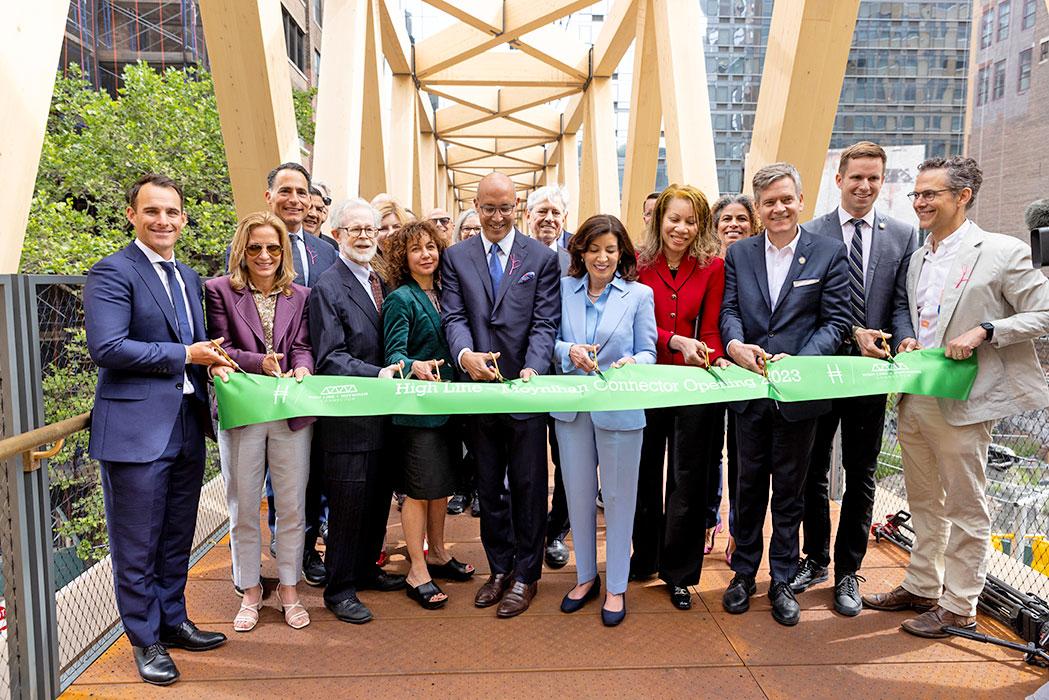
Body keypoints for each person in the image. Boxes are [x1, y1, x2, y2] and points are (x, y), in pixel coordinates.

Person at [863, 156, 1049, 638]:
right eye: (917, 195)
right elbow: (919, 317)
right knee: (923, 499)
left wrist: (987, 330)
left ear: (962, 196)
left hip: (966, 400)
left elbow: (1044, 313)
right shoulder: (919, 255)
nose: (920, 202)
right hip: (915, 393)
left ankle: (960, 604)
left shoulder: (1003, 251)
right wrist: (905, 340)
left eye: (931, 194)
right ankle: (924, 585)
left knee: (966, 506)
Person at [84, 174, 232, 686]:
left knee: (175, 537)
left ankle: (172, 621)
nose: (163, 220)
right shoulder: (111, 272)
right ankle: (144, 640)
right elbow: (107, 347)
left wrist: (210, 360)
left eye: (171, 212)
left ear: (184, 218)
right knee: (136, 545)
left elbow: (193, 344)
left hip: (186, 427)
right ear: (132, 215)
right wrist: (185, 355)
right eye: (152, 211)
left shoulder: (189, 277)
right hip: (134, 433)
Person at [719, 162, 850, 627]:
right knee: (747, 487)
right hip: (750, 392)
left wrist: (799, 365)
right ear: (758, 208)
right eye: (769, 201)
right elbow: (730, 311)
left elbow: (835, 322)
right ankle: (742, 574)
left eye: (785, 199)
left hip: (800, 395)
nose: (778, 208)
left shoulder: (829, 253)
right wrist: (735, 346)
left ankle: (782, 579)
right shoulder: (740, 255)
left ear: (800, 200)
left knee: (791, 493)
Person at [791, 142, 918, 616]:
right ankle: (815, 559)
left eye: (874, 179)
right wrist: (849, 332)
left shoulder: (903, 236)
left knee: (862, 472)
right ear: (839, 179)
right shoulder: (811, 232)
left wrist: (903, 340)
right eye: (857, 177)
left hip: (870, 374)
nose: (865, 186)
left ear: (882, 183)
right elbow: (806, 307)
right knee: (813, 468)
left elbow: (902, 304)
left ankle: (848, 571)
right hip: (823, 368)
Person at [441, 172, 561, 618]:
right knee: (488, 486)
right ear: (475, 205)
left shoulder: (542, 258)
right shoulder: (457, 256)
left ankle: (527, 576)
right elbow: (453, 315)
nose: (495, 217)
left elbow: (545, 322)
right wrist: (464, 354)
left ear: (518, 207)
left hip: (524, 389)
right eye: (487, 208)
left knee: (529, 486)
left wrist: (533, 367)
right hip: (478, 390)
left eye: (504, 208)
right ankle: (499, 568)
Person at [205, 211, 314, 632]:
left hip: (289, 410)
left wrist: (302, 367)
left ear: (283, 251)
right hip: (244, 410)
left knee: (291, 504)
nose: (265, 255)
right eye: (255, 247)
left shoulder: (300, 295)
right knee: (244, 503)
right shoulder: (218, 291)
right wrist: (260, 362)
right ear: (242, 251)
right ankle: (249, 588)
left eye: (273, 247)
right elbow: (219, 346)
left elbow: (303, 345)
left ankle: (289, 586)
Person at [552, 215, 657, 626]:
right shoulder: (562, 290)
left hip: (620, 407)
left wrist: (635, 361)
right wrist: (569, 351)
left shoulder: (638, 295)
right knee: (576, 493)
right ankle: (584, 577)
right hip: (573, 408)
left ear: (622, 254)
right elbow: (550, 340)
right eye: (593, 249)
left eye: (610, 250)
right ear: (580, 250)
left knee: (617, 499)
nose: (601, 257)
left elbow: (649, 350)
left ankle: (616, 586)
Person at [309, 198, 405, 624]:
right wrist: (378, 373)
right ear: (337, 236)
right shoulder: (328, 287)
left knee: (376, 498)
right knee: (348, 505)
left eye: (370, 229)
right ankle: (340, 587)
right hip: (349, 417)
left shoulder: (378, 278)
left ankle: (366, 569)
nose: (365, 236)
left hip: (384, 414)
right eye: (355, 230)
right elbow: (329, 357)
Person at [634, 184, 727, 610]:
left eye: (691, 221)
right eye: (674, 218)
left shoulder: (712, 267)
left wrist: (714, 356)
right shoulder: (636, 264)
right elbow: (631, 329)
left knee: (689, 478)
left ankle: (679, 573)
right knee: (644, 473)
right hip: (647, 381)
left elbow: (709, 330)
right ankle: (645, 555)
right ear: (659, 220)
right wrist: (674, 341)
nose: (682, 228)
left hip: (693, 385)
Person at [382, 220, 476, 609]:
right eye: (416, 249)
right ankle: (417, 569)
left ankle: (437, 552)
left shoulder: (445, 293)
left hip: (447, 408)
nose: (426, 254)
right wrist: (414, 366)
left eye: (431, 247)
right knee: (418, 492)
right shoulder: (400, 299)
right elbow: (392, 355)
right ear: (403, 258)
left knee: (442, 485)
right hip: (416, 413)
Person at [261, 163, 338, 587]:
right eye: (285, 190)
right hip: (271, 380)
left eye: (302, 192)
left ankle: (308, 550)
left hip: (319, 377)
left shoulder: (324, 252)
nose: (295, 199)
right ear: (269, 196)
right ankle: (272, 549)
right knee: (277, 472)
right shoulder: (252, 244)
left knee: (315, 471)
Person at [708, 194, 760, 566]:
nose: (734, 225)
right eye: (726, 219)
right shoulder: (708, 265)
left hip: (749, 371)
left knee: (745, 459)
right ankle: (710, 520)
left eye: (742, 218)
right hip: (710, 369)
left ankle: (741, 535)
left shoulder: (759, 263)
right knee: (710, 453)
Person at [523, 185, 572, 569]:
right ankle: (527, 530)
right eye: (542, 211)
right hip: (523, 375)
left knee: (569, 461)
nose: (549, 219)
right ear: (527, 215)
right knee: (525, 463)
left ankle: (557, 531)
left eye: (556, 212)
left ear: (565, 219)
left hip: (569, 378)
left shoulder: (578, 260)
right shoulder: (515, 256)